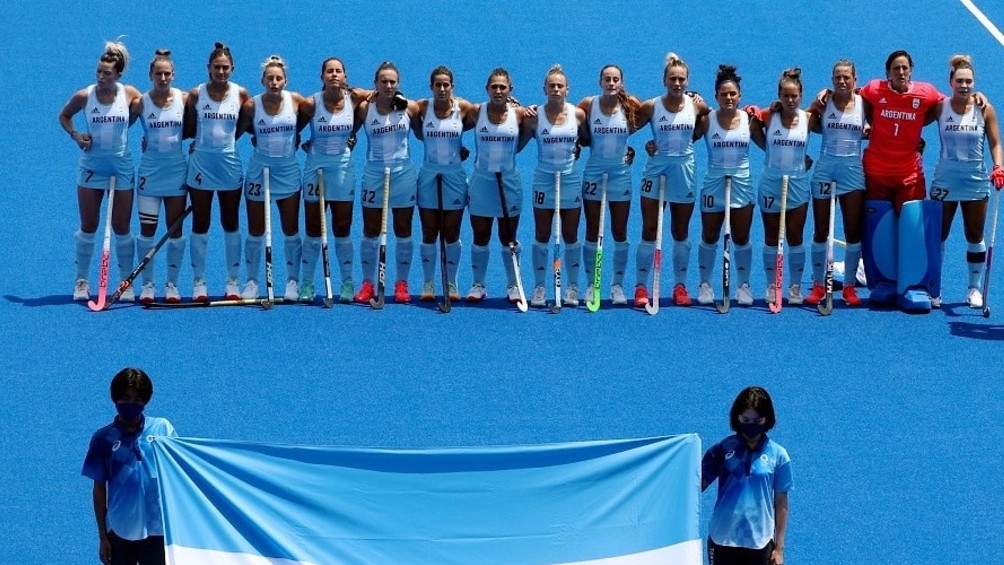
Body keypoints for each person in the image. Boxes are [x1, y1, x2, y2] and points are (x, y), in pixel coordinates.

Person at [858, 50, 944, 311]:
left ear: (911, 70)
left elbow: (946, 104)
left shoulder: (926, 93)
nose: (901, 72)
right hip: (877, 170)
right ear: (888, 72)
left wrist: (975, 97)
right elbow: (855, 97)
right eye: (896, 68)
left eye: (905, 67)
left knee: (912, 227)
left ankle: (912, 285)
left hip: (909, 173)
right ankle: (885, 281)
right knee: (880, 225)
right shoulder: (874, 89)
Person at [59, 40, 141, 302]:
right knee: (89, 225)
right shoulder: (85, 96)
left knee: (121, 226)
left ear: (118, 75)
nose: (101, 76)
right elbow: (64, 116)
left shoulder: (130, 94)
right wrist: (76, 135)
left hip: (121, 166)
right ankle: (81, 281)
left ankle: (125, 283)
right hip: (92, 167)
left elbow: (143, 113)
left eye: (107, 73)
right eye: (98, 71)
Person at [634, 54, 711, 306]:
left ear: (687, 82)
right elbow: (626, 128)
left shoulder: (697, 106)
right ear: (664, 81)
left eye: (681, 79)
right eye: (672, 79)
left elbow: (708, 123)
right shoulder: (651, 106)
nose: (677, 83)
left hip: (684, 170)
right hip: (656, 169)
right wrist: (644, 146)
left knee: (680, 231)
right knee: (649, 229)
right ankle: (641, 287)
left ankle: (680, 286)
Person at [82, 367, 177, 565]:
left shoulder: (162, 428)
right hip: (119, 529)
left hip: (157, 529)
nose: (131, 404)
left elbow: (179, 472)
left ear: (146, 400)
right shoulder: (103, 439)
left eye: (137, 399)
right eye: (125, 398)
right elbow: (99, 489)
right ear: (115, 398)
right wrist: (103, 537)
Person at [930, 55, 1004, 308]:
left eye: (969, 82)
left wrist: (998, 166)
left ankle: (974, 289)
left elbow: (996, 142)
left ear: (974, 83)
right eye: (960, 81)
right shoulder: (940, 107)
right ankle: (934, 287)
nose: (964, 85)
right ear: (950, 82)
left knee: (974, 234)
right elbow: (914, 119)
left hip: (974, 179)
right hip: (945, 178)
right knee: (938, 234)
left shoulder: (985, 108)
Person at [235, 55, 308, 301]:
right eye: (270, 78)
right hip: (259, 170)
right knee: (256, 229)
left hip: (288, 170)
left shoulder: (296, 101)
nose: (274, 82)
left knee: (290, 228)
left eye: (278, 78)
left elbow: (308, 120)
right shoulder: (252, 106)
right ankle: (252, 282)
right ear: (263, 81)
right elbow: (236, 132)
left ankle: (292, 282)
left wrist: (298, 138)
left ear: (285, 81)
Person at [184, 42, 250, 301]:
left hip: (229, 163)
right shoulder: (196, 94)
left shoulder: (241, 94)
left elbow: (243, 126)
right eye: (217, 67)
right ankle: (199, 283)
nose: (221, 72)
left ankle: (233, 282)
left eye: (225, 68)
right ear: (208, 68)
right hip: (201, 163)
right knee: (201, 222)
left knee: (230, 221)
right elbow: (189, 128)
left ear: (232, 69)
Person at [353, 61, 421, 304]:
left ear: (398, 84)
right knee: (371, 230)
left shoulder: (410, 108)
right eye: (384, 81)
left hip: (403, 173)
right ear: (376, 84)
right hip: (374, 173)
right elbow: (349, 120)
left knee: (403, 229)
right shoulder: (365, 108)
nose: (388, 86)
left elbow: (425, 130)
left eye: (392, 82)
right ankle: (368, 283)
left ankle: (402, 284)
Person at [463, 68, 532, 303]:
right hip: (481, 182)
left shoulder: (521, 115)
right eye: (494, 87)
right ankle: (478, 285)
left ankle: (514, 285)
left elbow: (535, 131)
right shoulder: (476, 112)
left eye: (503, 87)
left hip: (509, 182)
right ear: (487, 89)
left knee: (508, 236)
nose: (498, 91)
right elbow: (450, 124)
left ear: (510, 90)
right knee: (480, 234)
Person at [576, 65, 643, 306]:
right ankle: (590, 285)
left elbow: (649, 117)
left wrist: (628, 147)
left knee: (619, 231)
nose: (611, 83)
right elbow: (574, 127)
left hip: (620, 173)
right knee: (592, 230)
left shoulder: (631, 104)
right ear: (600, 82)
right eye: (607, 79)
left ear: (621, 82)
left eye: (615, 79)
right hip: (594, 171)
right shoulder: (588, 104)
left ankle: (617, 286)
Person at [298, 57, 364, 303]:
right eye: (329, 71)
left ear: (345, 76)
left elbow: (376, 93)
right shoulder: (311, 104)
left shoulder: (354, 98)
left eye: (338, 71)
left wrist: (353, 135)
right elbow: (294, 128)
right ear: (322, 77)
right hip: (316, 167)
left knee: (342, 227)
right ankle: (306, 283)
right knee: (314, 228)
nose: (334, 74)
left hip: (342, 168)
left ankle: (347, 282)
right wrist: (302, 143)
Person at [702, 386, 791, 565]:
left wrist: (779, 548)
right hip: (722, 539)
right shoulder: (721, 450)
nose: (751, 425)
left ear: (767, 419)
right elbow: (697, 485)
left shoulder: (779, 456)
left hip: (759, 542)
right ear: (737, 418)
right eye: (746, 420)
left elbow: (781, 504)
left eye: (757, 420)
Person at [523, 64, 588, 307]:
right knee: (542, 233)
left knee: (570, 234)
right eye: (552, 86)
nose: (556, 89)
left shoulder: (578, 115)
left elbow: (589, 139)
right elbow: (517, 144)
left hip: (570, 178)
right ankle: (539, 287)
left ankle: (572, 287)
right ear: (544, 89)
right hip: (543, 178)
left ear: (567, 89)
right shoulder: (533, 117)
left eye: (560, 86)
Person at [804, 60, 866, 307]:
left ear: (854, 80)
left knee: (852, 230)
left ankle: (849, 286)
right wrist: (800, 156)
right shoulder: (823, 102)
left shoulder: (864, 104)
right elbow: (803, 123)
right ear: (831, 80)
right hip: (825, 169)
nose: (842, 81)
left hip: (852, 170)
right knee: (821, 230)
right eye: (837, 77)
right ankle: (819, 285)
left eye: (846, 77)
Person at [411, 66, 475, 303]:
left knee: (451, 231)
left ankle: (451, 282)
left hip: (454, 175)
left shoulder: (464, 108)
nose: (441, 88)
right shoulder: (422, 107)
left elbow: (489, 114)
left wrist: (511, 103)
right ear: (431, 87)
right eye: (437, 85)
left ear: (452, 87)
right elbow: (396, 104)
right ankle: (428, 282)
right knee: (429, 231)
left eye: (445, 84)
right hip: (429, 174)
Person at [694, 65, 757, 307]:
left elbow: (768, 143)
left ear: (740, 96)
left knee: (741, 236)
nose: (728, 98)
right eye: (723, 94)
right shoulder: (706, 120)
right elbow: (684, 139)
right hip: (714, 183)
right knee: (709, 235)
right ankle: (705, 285)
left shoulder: (750, 120)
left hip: (742, 183)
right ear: (716, 96)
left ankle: (743, 286)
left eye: (733, 94)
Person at [748, 68, 812, 306]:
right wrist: (768, 149)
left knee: (795, 235)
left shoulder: (809, 118)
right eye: (785, 96)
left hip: (797, 181)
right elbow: (751, 124)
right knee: (772, 235)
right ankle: (771, 285)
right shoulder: (770, 115)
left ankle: (795, 287)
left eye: (794, 96)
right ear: (779, 96)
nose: (790, 100)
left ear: (801, 96)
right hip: (771, 181)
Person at [130, 49, 189, 304]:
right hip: (150, 172)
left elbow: (204, 126)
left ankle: (172, 285)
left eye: (167, 74)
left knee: (175, 230)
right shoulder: (140, 103)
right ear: (150, 75)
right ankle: (148, 285)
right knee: (147, 230)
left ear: (173, 75)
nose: (163, 78)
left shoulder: (185, 99)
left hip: (176, 171)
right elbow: (117, 126)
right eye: (158, 74)